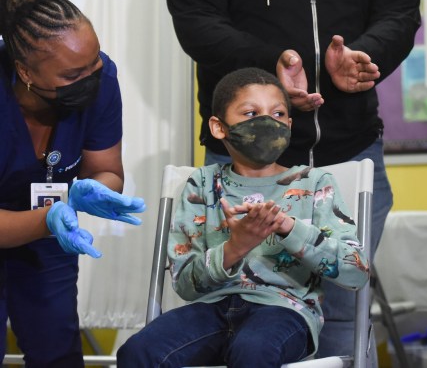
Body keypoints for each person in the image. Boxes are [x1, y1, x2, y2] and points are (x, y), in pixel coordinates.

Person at [165, 0, 419, 357]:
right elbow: (196, 21)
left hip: (349, 153)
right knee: (239, 308)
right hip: (243, 163)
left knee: (346, 309)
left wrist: (364, 55)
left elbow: (400, 12)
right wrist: (272, 69)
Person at [117, 67, 369, 367]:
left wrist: (287, 227)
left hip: (284, 310)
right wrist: (236, 246)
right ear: (219, 127)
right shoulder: (201, 185)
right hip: (211, 308)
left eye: (277, 114)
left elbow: (357, 273)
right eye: (251, 113)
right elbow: (185, 284)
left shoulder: (314, 183)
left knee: (252, 351)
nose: (266, 122)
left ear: (289, 124)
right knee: (138, 352)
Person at [0, 0, 146, 366]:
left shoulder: (101, 82)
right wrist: (50, 217)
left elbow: (106, 168)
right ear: (24, 71)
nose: (91, 77)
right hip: (41, 221)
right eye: (70, 75)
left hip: (49, 235)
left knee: (57, 351)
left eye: (94, 62)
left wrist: (95, 190)